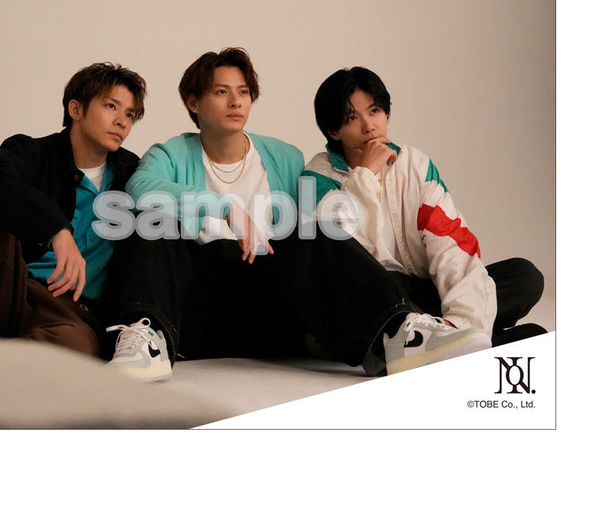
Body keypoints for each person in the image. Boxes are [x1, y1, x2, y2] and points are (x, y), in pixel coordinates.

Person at [104, 47, 491, 382]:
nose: (236, 102)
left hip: (273, 307)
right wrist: (225, 207)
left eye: (243, 92)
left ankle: (400, 333)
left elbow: (322, 248)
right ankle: (147, 337)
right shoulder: (170, 154)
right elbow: (140, 188)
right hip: (199, 304)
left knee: (314, 231)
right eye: (222, 92)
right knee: (153, 221)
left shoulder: (285, 158)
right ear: (193, 102)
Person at [0, 62, 147, 357]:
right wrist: (57, 231)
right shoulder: (34, 153)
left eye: (130, 114)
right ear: (76, 109)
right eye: (111, 106)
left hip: (70, 313)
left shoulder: (132, 173)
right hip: (11, 292)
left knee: (75, 348)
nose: (122, 122)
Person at [304, 66, 546, 349]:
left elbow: (452, 246)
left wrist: (461, 322)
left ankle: (439, 338)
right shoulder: (316, 177)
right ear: (334, 131)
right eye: (352, 118)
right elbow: (336, 255)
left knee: (524, 277)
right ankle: (461, 341)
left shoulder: (415, 165)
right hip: (366, 296)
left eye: (374, 111)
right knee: (373, 301)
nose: (369, 126)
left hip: (417, 294)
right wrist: (367, 173)